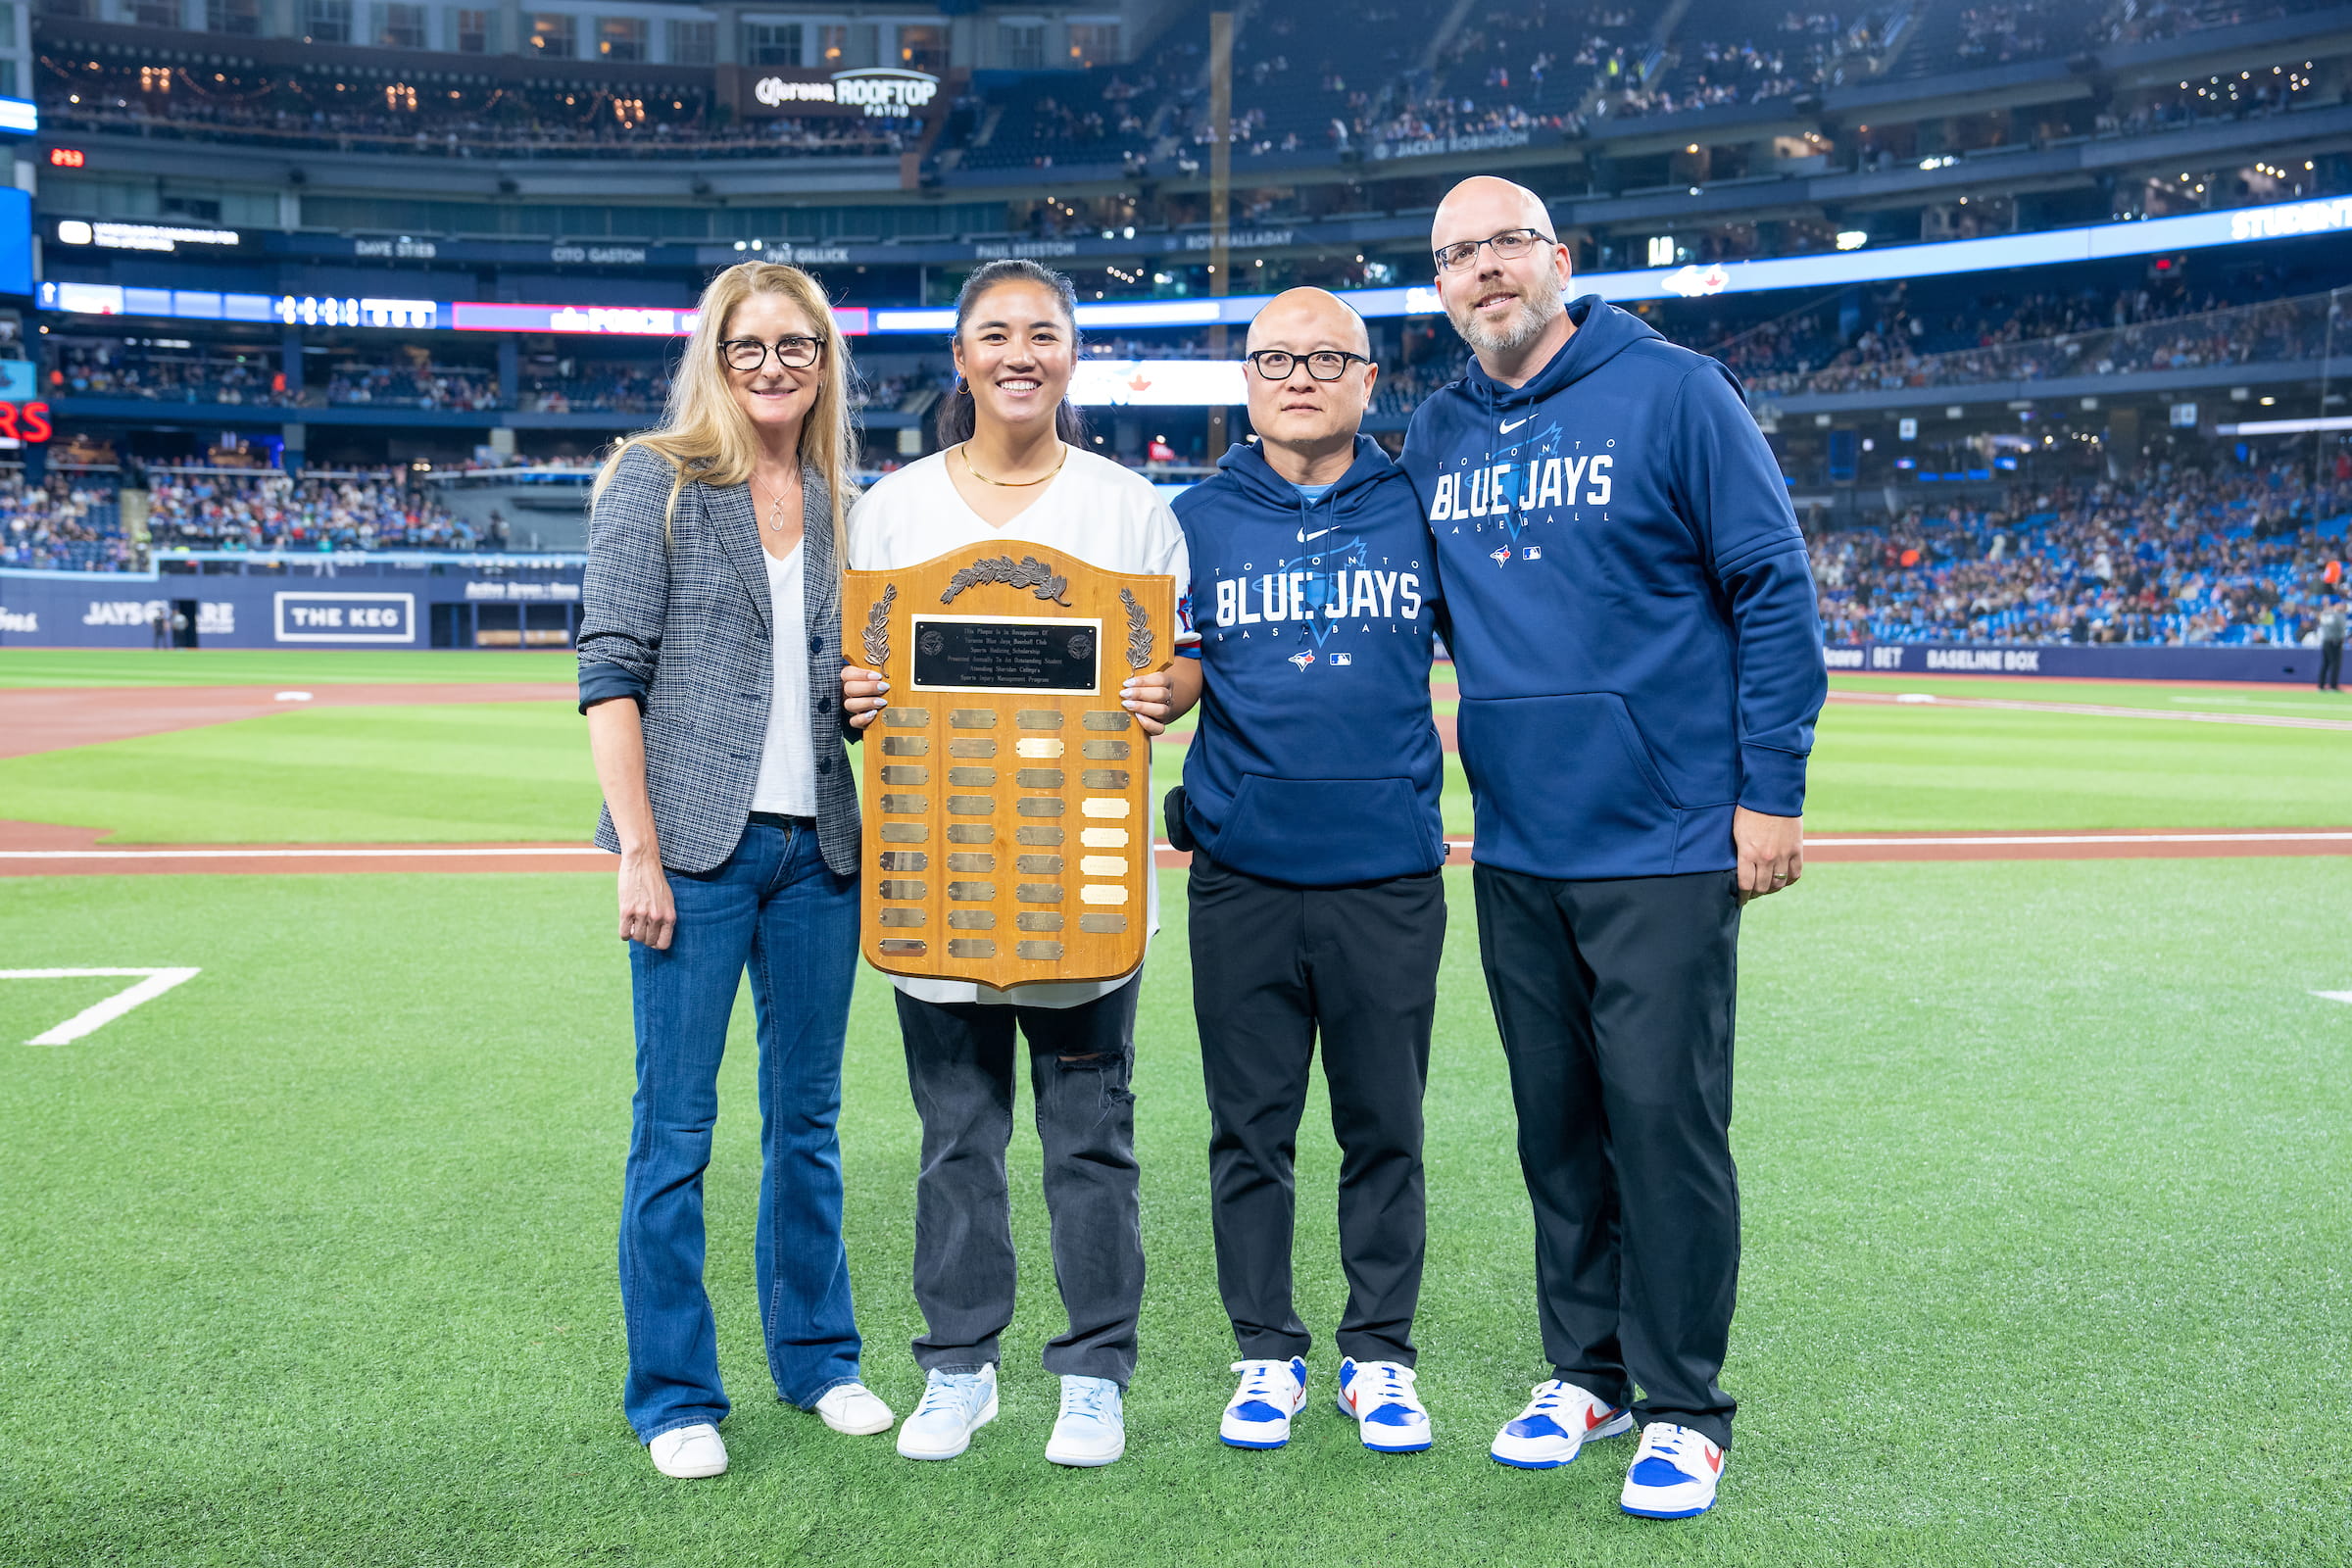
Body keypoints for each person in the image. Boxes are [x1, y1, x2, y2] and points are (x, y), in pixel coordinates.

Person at [1402, 177, 1826, 1520]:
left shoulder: (1676, 392)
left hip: (1666, 838)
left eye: (1505, 245)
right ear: (1441, 286)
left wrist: (1771, 792)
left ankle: (1685, 1404)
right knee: (1559, 1127)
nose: (1483, 271)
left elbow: (1774, 585)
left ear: (1559, 259)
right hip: (1520, 843)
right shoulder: (1436, 429)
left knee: (1664, 1121)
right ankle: (1585, 1373)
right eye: (1456, 256)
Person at [837, 258, 1189, 1470]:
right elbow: (856, 687)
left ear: (1072, 355)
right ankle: (960, 1366)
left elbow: (1175, 664)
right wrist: (855, 692)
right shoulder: (891, 508)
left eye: (1043, 332)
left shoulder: (1131, 508)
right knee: (956, 1137)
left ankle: (1094, 1371)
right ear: (962, 358)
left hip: (1080, 882)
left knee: (1090, 1137)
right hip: (938, 871)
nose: (1019, 352)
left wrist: (1166, 687)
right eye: (996, 333)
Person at [577, 261, 893, 1480]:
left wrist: (869, 702)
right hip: (694, 856)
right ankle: (674, 1394)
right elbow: (610, 674)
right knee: (676, 1130)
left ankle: (819, 1360)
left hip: (819, 852)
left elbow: (857, 685)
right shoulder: (652, 479)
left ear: (825, 361)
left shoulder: (844, 499)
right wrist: (638, 853)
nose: (775, 366)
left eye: (797, 346)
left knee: (806, 1125)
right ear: (716, 353)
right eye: (751, 345)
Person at [1158, 288, 1448, 1454]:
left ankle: (1379, 1353)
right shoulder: (1191, 519)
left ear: (1368, 380)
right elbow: (1161, 675)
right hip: (1244, 877)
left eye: (1326, 357)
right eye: (1275, 357)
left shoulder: (1421, 504)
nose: (1299, 376)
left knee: (1387, 1126)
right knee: (1251, 1131)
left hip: (1386, 874)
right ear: (1246, 377)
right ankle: (1265, 1353)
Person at [2317, 599, 2344, 691]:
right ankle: (2333, 685)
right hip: (2334, 641)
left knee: (2325, 663)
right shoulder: (2337, 615)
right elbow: (2340, 628)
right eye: (2340, 604)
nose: (2342, 606)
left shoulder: (2324, 614)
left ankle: (2321, 685)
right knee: (2335, 663)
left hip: (2325, 640)